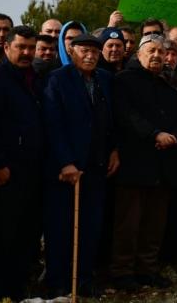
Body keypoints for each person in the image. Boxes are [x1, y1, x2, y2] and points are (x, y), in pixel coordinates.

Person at [111, 34, 177, 292]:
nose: (157, 55)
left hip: (163, 164)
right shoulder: (123, 81)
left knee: (155, 224)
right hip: (135, 164)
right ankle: (123, 273)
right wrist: (154, 134)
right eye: (151, 51)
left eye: (161, 51)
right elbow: (126, 116)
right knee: (128, 224)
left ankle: (148, 270)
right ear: (138, 54)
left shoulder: (172, 86)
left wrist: (174, 137)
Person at [42, 34, 120, 297]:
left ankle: (84, 279)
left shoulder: (104, 79)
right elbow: (53, 124)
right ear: (71, 51)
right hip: (67, 169)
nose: (90, 56)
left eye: (95, 52)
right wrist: (66, 162)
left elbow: (112, 121)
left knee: (91, 226)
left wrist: (114, 151)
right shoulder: (58, 79)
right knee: (61, 226)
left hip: (97, 165)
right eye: (84, 50)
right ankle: (58, 282)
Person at [0, 26, 44, 301]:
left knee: (25, 233)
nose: (27, 52)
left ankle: (16, 288)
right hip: (6, 170)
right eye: (22, 47)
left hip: (32, 169)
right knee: (2, 235)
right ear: (6, 48)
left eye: (31, 47)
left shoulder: (35, 76)